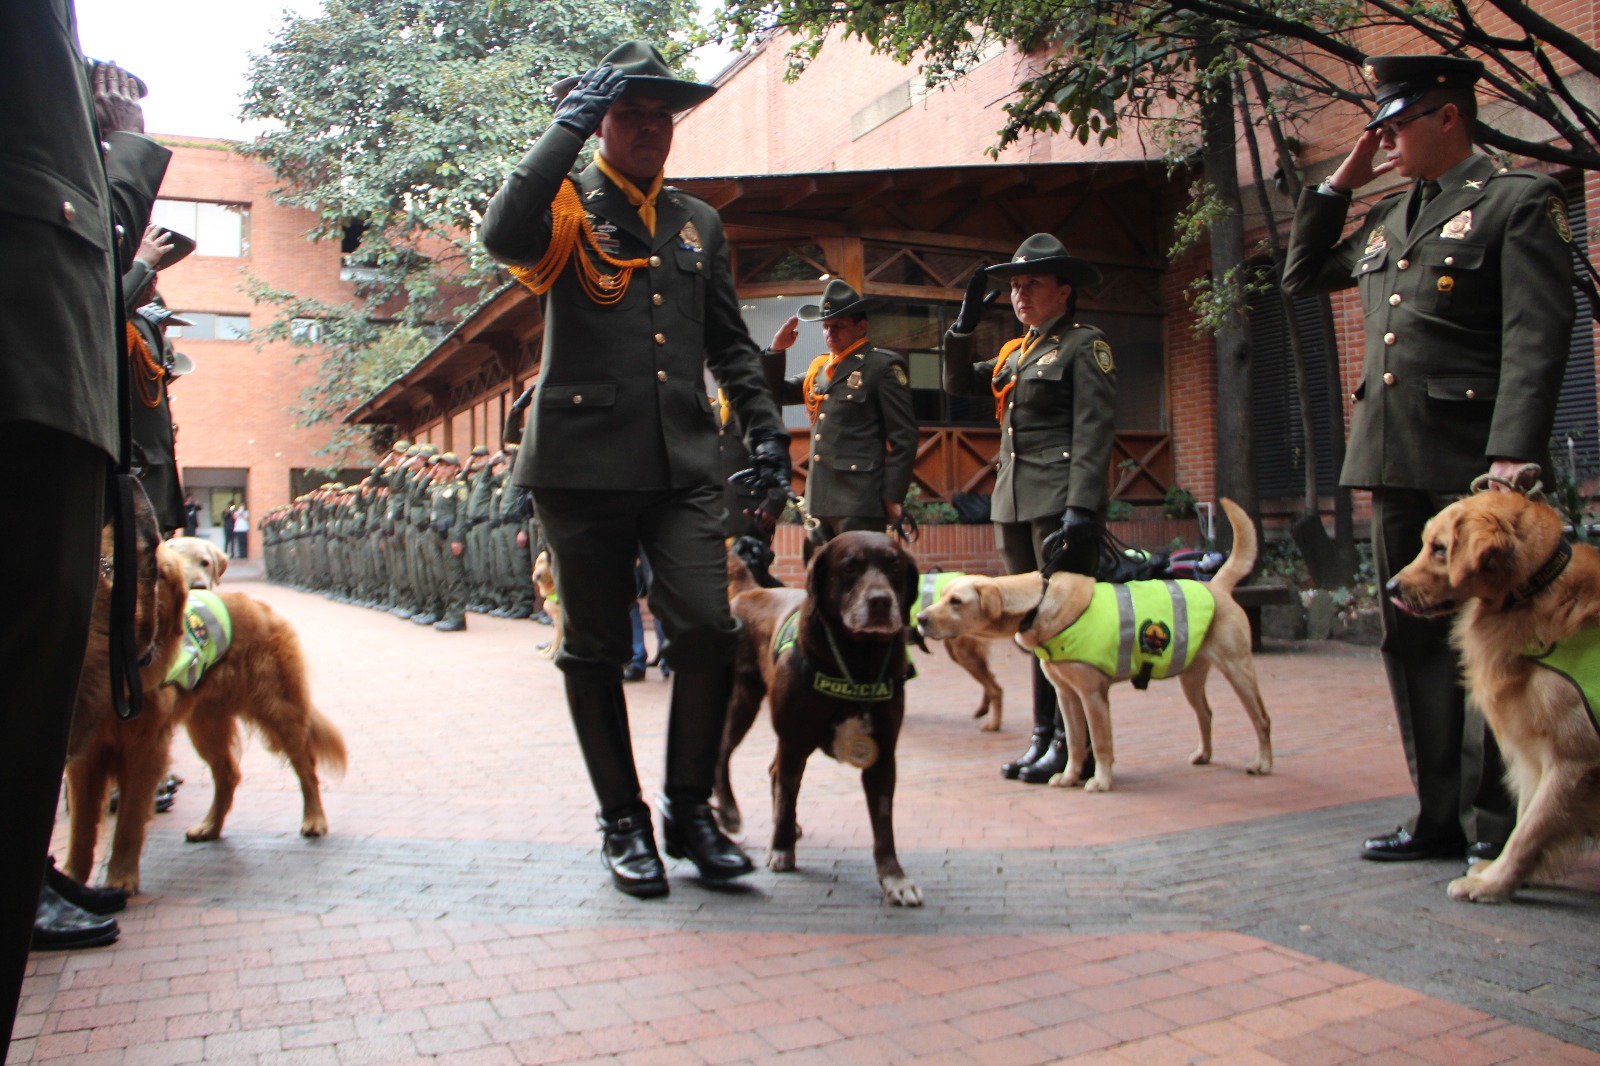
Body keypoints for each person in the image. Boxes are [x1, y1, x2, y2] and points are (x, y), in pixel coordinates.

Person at [481, 41, 790, 899]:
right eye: (630, 112)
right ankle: (623, 819)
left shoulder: (698, 221)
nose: (651, 127)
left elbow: (727, 341)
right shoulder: (567, 203)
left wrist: (768, 436)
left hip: (686, 464)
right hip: (580, 466)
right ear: (602, 123)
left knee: (706, 627)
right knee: (594, 644)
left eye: (662, 114)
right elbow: (500, 234)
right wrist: (567, 124)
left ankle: (688, 809)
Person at [1284, 55, 1575, 862]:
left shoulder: (1518, 201)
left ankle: (1496, 824)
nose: (1384, 139)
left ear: (1449, 117)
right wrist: (1341, 182)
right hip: (1392, 458)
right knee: (1408, 640)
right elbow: (1303, 273)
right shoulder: (1387, 218)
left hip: (1476, 467)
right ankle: (1437, 817)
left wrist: (1514, 452)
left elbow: (1536, 330)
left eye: (1396, 124)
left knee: (1496, 640)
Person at [0, 19, 170, 1054]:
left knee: (47, 702)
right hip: (32, 373)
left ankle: (41, 869)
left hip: (54, 395)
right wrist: (126, 149)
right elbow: (85, 245)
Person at [942, 234, 1116, 786]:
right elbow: (953, 384)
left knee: (1065, 628)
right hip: (1014, 500)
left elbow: (1093, 431)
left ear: (1064, 291)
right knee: (1029, 627)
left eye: (1032, 284)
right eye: (1014, 287)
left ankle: (1073, 747)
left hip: (1059, 502)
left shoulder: (1084, 345)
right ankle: (1044, 737)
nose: (1020, 295)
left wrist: (1082, 508)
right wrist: (963, 327)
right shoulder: (1016, 353)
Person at [764, 279, 918, 558]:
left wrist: (892, 495)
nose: (829, 332)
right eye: (825, 326)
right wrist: (776, 350)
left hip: (860, 499)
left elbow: (904, 437)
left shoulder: (881, 366)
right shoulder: (821, 370)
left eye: (839, 325)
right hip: (819, 499)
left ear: (861, 327)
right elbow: (776, 392)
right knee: (820, 580)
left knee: (858, 581)